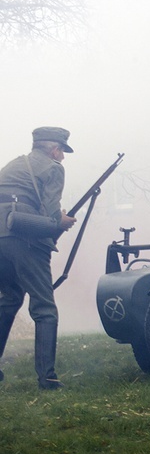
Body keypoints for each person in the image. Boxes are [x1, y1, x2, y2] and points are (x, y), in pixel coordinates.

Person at [0, 127, 77, 389]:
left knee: (9, 299)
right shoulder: (54, 168)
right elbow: (53, 217)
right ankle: (48, 378)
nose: (63, 158)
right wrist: (63, 221)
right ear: (54, 149)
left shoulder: (13, 165)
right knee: (45, 308)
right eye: (62, 152)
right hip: (26, 240)